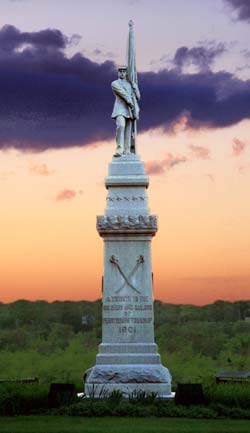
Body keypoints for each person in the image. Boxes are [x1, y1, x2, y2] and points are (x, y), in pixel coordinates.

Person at [111, 66, 140, 156]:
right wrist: (130, 101)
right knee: (121, 125)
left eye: (124, 71)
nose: (122, 73)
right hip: (120, 108)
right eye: (120, 71)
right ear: (118, 73)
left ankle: (127, 150)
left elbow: (138, 97)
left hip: (129, 110)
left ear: (126, 73)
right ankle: (119, 149)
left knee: (128, 131)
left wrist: (135, 87)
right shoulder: (115, 83)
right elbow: (123, 94)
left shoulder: (130, 84)